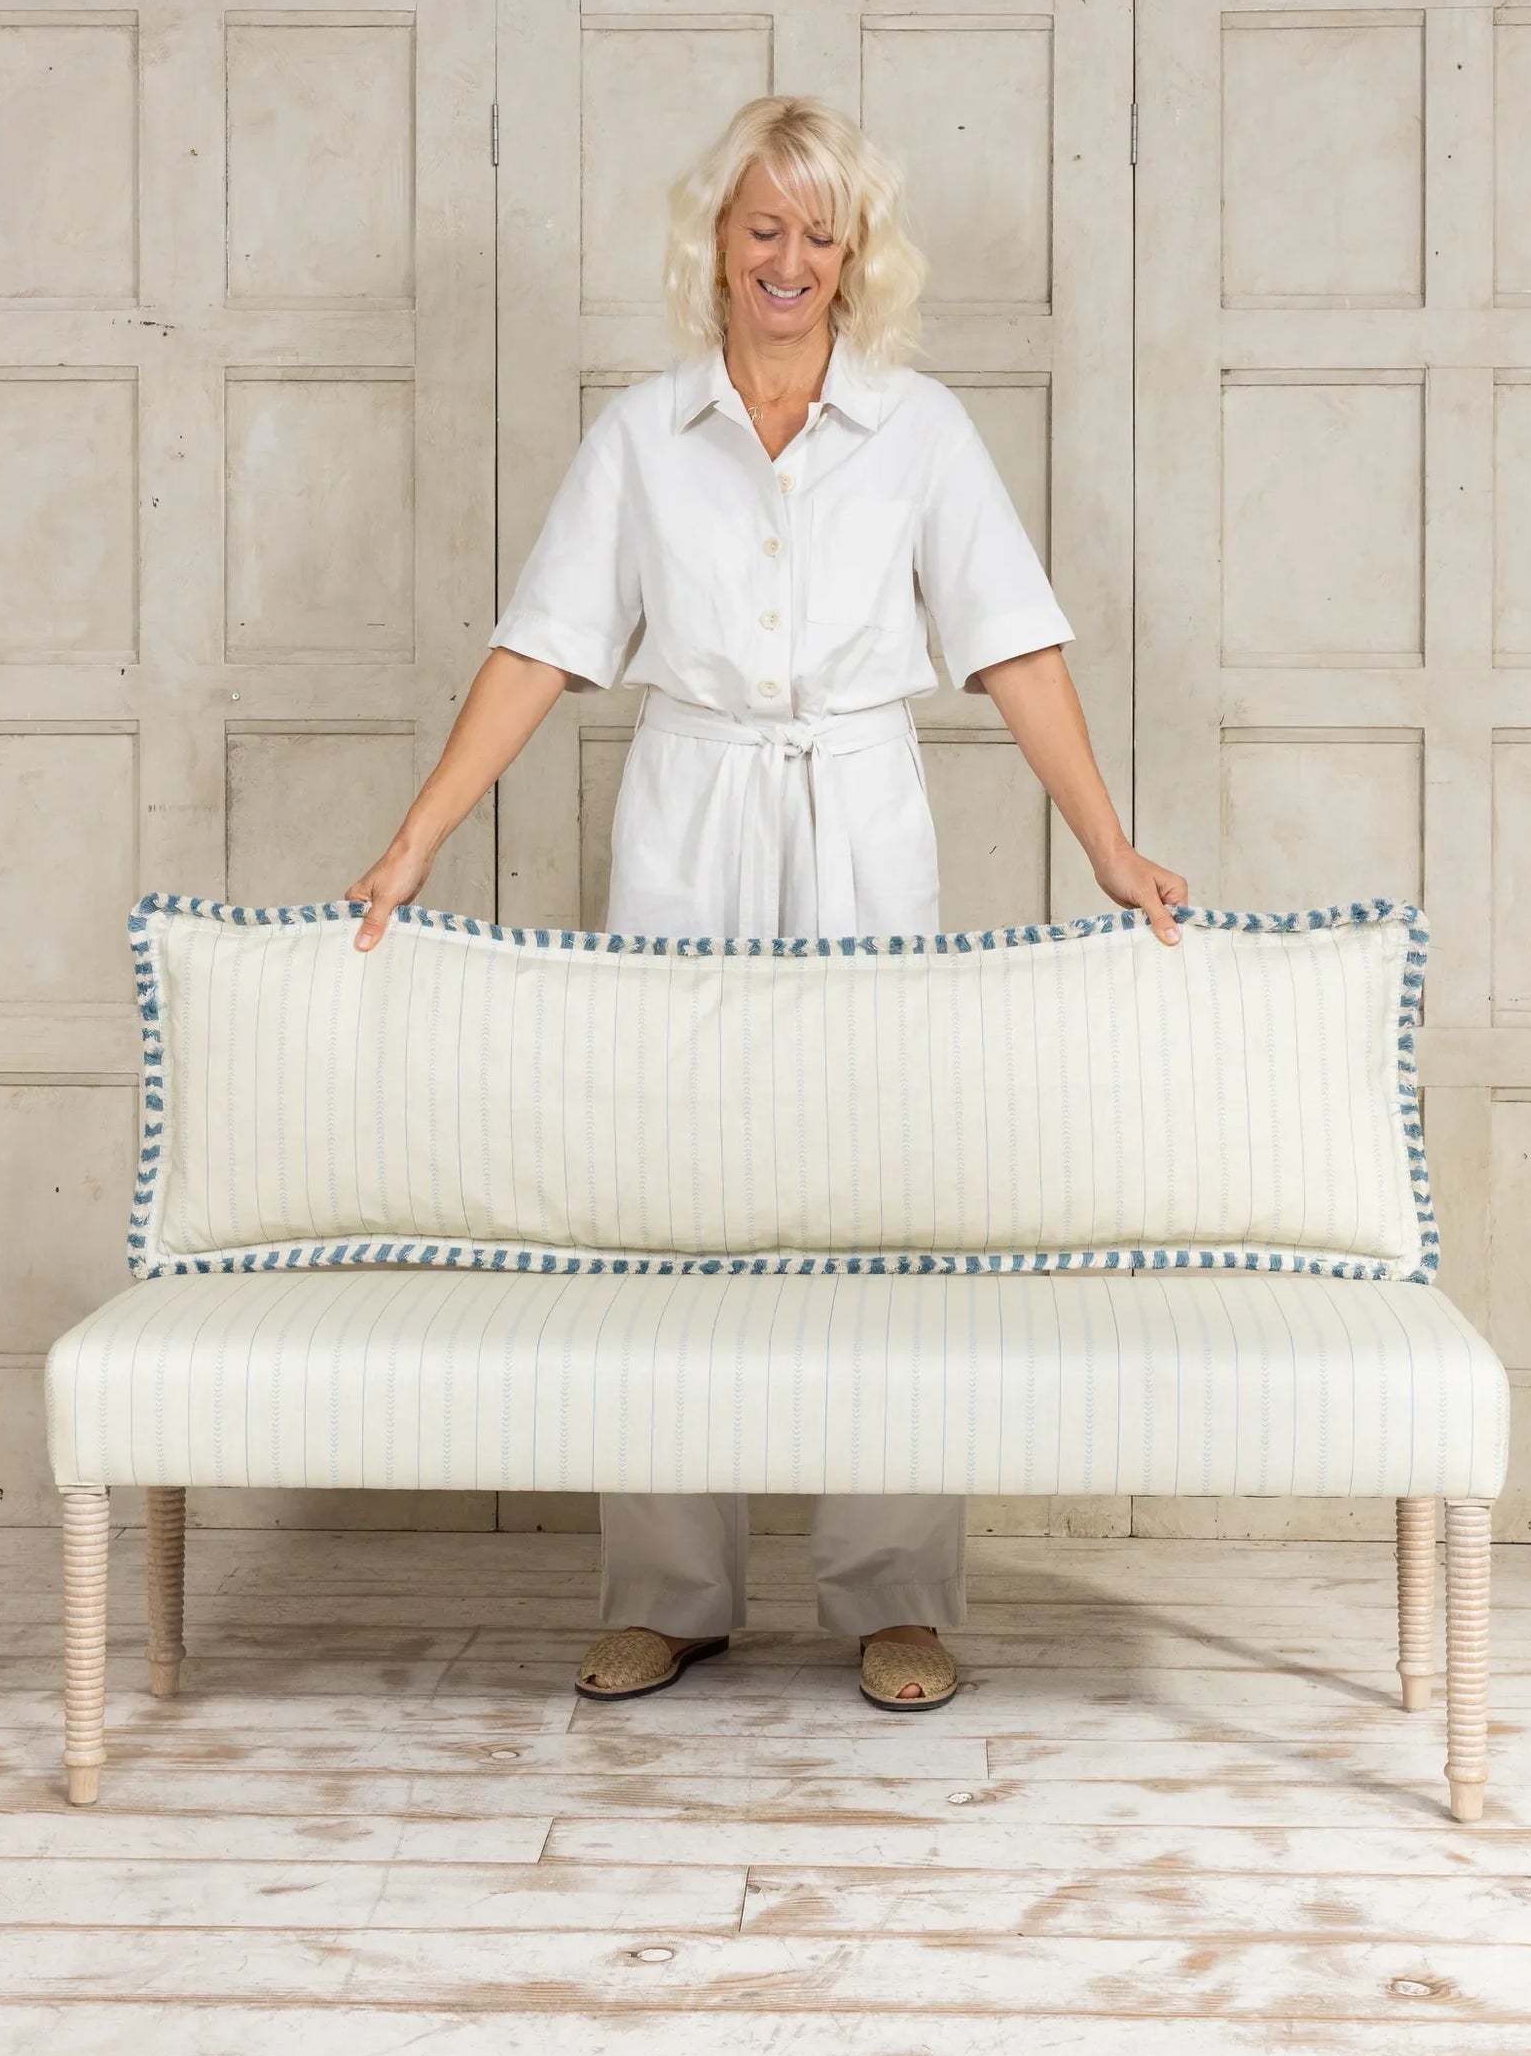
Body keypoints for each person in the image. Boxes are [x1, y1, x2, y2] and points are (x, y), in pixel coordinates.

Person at [346, 95, 1185, 1713]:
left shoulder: (918, 430)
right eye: (762, 228)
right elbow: (540, 648)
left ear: (854, 256)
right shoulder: (638, 435)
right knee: (666, 1202)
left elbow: (1012, 643)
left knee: (887, 1200)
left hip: (862, 809)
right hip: (690, 804)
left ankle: (894, 1595)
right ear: (716, 242)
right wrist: (413, 843)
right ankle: (669, 1592)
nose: (789, 260)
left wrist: (1108, 845)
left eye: (819, 233)